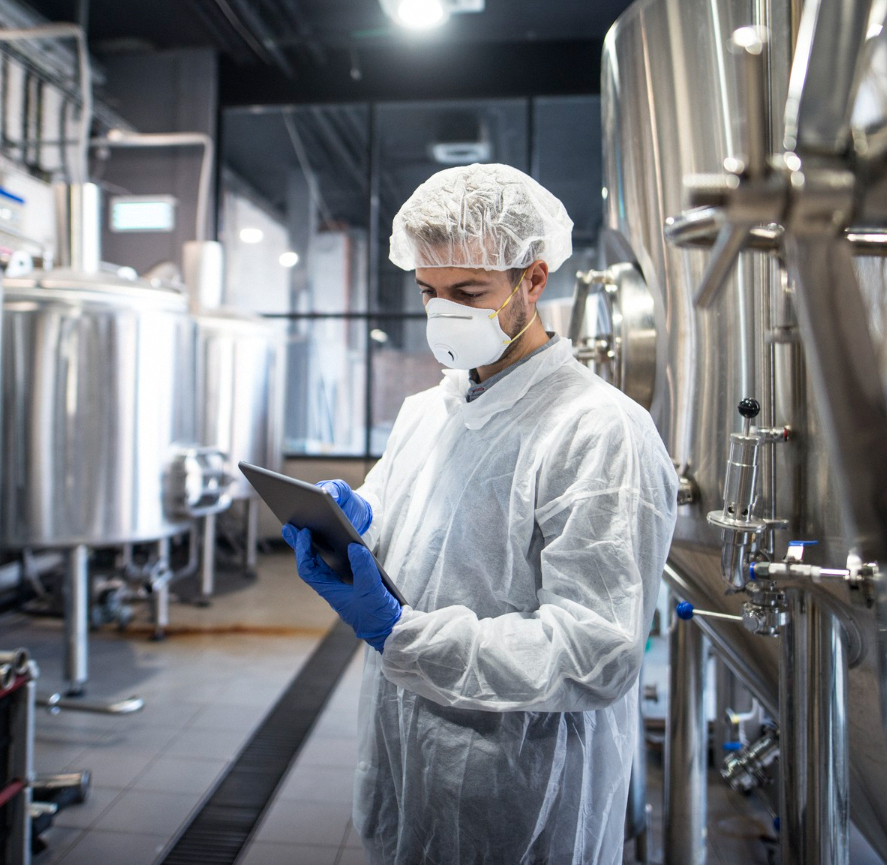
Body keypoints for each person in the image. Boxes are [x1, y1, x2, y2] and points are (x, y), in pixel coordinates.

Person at [282, 163, 677, 865]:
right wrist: (357, 521)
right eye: (430, 293)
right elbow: (421, 534)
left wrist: (405, 632)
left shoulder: (599, 429)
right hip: (406, 761)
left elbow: (596, 651)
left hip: (519, 791)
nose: (445, 315)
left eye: (469, 292)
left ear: (534, 279)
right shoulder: (427, 409)